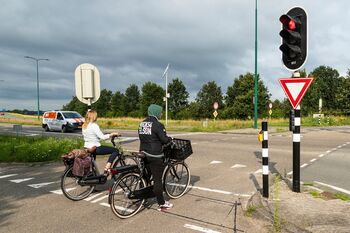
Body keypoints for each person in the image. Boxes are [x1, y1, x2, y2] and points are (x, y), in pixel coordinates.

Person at [138, 104, 173, 211]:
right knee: (158, 179)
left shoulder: (142, 123)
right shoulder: (158, 124)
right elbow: (163, 139)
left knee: (145, 177)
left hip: (143, 152)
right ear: (156, 113)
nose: (161, 114)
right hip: (155, 155)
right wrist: (170, 139)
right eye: (160, 112)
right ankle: (161, 203)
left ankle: (142, 197)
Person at [82, 110, 120, 175]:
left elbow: (91, 136)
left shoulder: (84, 125)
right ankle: (107, 168)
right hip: (95, 148)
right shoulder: (94, 125)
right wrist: (111, 134)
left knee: (92, 165)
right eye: (96, 116)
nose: (97, 117)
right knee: (115, 151)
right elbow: (102, 137)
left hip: (87, 147)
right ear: (94, 117)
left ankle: (93, 177)